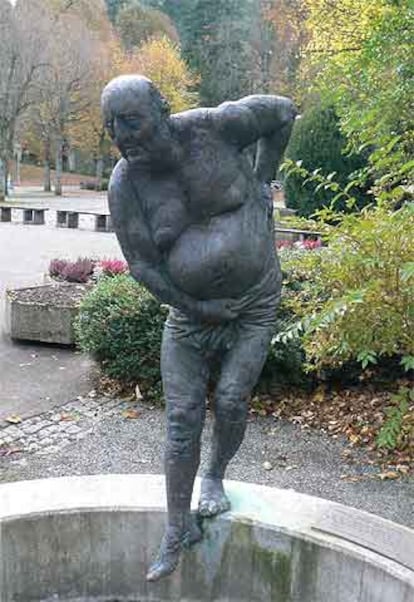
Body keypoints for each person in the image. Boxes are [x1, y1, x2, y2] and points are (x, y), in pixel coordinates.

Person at [101, 75, 296, 582]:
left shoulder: (218, 125)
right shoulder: (126, 184)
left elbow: (282, 110)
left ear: (161, 110)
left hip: (254, 301)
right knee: (181, 418)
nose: (122, 136)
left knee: (232, 398)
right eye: (112, 127)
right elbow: (143, 265)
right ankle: (176, 526)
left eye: (131, 121)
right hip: (190, 314)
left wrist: (262, 179)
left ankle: (215, 475)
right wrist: (195, 307)